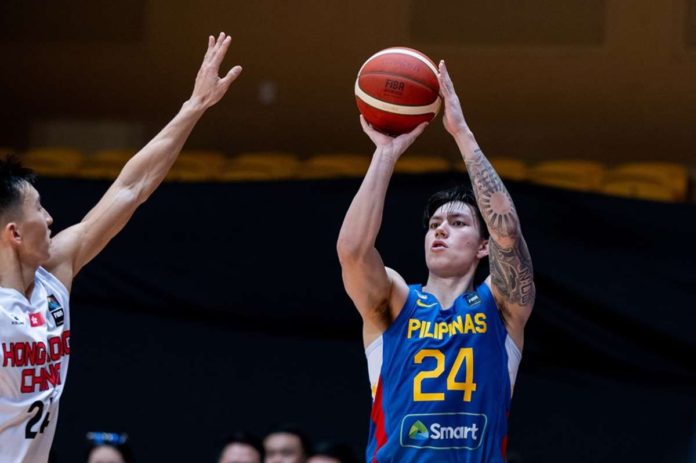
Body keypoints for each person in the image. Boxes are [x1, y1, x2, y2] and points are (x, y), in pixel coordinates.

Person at [0, 32, 242, 463]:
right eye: (40, 209)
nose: (52, 218)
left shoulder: (54, 273)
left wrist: (194, 107)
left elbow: (131, 188)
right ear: (14, 233)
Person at [336, 60, 535, 462]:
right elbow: (353, 251)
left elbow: (507, 233)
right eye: (434, 224)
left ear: (483, 247)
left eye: (458, 222)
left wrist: (462, 134)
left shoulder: (501, 307)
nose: (440, 229)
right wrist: (386, 153)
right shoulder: (395, 302)